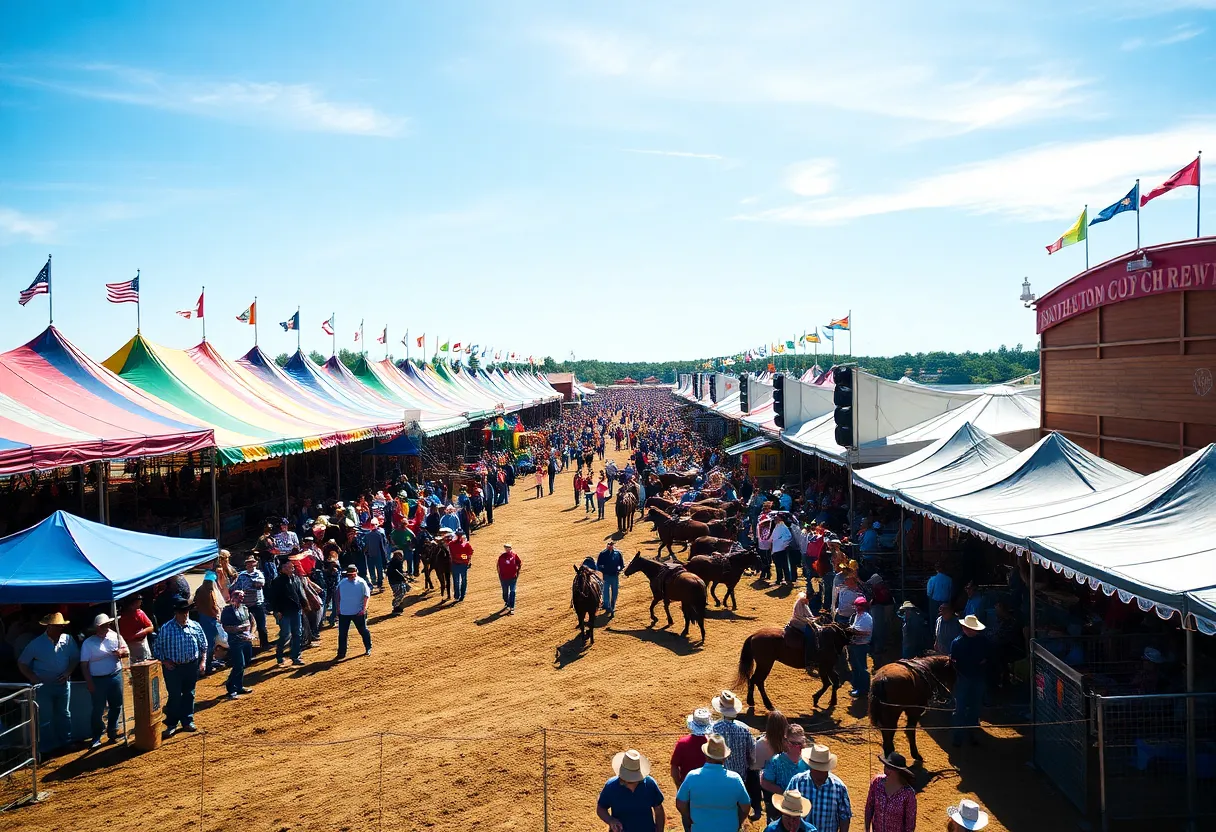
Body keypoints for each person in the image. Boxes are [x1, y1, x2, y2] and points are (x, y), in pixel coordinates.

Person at [17, 612, 79, 756]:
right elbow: (22, 662)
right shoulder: (36, 644)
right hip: (43, 686)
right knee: (44, 716)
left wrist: (68, 672)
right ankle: (45, 748)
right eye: (57, 626)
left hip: (63, 684)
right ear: (49, 627)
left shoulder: (68, 640)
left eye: (61, 626)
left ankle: (66, 741)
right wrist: (32, 677)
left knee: (64, 713)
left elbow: (75, 658)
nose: (60, 629)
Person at [153, 598, 208, 738]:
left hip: (191, 665)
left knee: (189, 693)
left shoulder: (195, 626)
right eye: (182, 612)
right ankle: (172, 723)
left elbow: (204, 646)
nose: (185, 614)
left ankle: (187, 721)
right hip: (173, 668)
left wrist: (203, 662)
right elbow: (156, 648)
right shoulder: (166, 628)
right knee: (175, 695)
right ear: (176, 613)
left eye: (186, 611)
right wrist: (165, 661)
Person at [675, 733, 751, 832]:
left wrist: (689, 818)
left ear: (706, 755)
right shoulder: (735, 779)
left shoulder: (692, 777)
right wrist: (738, 822)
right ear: (724, 758)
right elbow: (746, 807)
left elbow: (680, 804)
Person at [79, 613, 129, 748]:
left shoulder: (115, 635)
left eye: (107, 625)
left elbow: (126, 651)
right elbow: (84, 664)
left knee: (116, 704)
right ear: (97, 628)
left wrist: (121, 652)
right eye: (103, 626)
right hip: (97, 679)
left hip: (114, 674)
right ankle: (96, 735)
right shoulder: (88, 643)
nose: (106, 628)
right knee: (98, 709)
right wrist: (89, 682)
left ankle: (112, 730)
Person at [597, 749, 666, 832]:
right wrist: (611, 820)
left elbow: (658, 810)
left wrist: (660, 830)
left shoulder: (649, 784)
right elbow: (601, 808)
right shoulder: (611, 786)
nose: (629, 782)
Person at [788, 744, 853, 832]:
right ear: (810, 767)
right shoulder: (797, 782)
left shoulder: (839, 787)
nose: (820, 774)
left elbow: (844, 817)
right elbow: (786, 809)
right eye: (817, 770)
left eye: (823, 770)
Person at [951, 614, 989, 747]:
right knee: (960, 708)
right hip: (964, 678)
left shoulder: (982, 641)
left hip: (975, 678)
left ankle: (970, 735)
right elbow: (954, 663)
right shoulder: (957, 642)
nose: (970, 631)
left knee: (975, 708)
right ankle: (959, 737)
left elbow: (987, 658)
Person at [761, 725, 811, 823]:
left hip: (803, 809)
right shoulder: (775, 761)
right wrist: (785, 793)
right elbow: (765, 783)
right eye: (793, 743)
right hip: (781, 808)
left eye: (800, 743)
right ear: (786, 742)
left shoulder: (808, 762)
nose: (797, 747)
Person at [710, 690, 755, 796]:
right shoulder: (744, 728)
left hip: (720, 776)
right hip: (741, 777)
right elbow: (752, 752)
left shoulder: (714, 729)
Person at [748, 709, 789, 821]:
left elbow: (753, 765)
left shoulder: (760, 744)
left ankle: (757, 808)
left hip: (765, 783)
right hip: (782, 785)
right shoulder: (787, 745)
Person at [268, 558, 308, 667]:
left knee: (297, 633)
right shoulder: (277, 581)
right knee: (285, 634)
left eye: (292, 567)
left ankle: (296, 656)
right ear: (283, 569)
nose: (291, 568)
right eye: (289, 567)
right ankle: (279, 656)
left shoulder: (296, 579)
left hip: (296, 610)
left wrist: (304, 605)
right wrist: (277, 611)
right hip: (284, 612)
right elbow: (273, 598)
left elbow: (300, 594)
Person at [863, 752, 916, 832]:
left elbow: (910, 823)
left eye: (887, 766)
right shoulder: (876, 782)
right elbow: (869, 807)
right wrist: (867, 829)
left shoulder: (908, 793)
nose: (884, 767)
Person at [220, 589, 255, 699]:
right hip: (235, 640)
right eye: (239, 596)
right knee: (239, 664)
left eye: (242, 596)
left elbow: (252, 622)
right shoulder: (227, 610)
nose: (241, 598)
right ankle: (231, 687)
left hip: (246, 639)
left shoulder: (244, 608)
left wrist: (251, 634)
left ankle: (239, 686)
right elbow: (225, 627)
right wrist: (237, 629)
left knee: (245, 662)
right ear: (232, 597)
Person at [231, 555, 270, 650]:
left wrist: (250, 582)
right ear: (246, 564)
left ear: (255, 563)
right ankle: (247, 645)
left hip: (257, 603)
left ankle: (264, 644)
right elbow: (235, 587)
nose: (250, 564)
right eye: (248, 563)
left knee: (261, 625)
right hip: (245, 604)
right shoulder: (241, 575)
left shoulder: (259, 574)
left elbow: (260, 584)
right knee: (245, 625)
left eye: (252, 562)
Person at [335, 564, 373, 659]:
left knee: (363, 630)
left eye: (353, 574)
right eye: (349, 575)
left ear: (356, 573)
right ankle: (341, 653)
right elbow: (338, 596)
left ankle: (368, 647)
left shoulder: (361, 582)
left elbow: (366, 596)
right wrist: (338, 608)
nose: (351, 576)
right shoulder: (342, 583)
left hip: (358, 612)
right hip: (344, 613)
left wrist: (364, 609)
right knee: (342, 633)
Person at [671, 708, 713, 788]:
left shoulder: (682, 743)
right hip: (708, 787)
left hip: (687, 785)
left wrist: (678, 785)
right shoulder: (712, 744)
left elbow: (674, 768)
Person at [193, 572, 223, 674]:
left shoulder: (201, 590)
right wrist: (217, 613)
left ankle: (208, 663)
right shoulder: (206, 591)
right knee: (209, 644)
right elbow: (212, 606)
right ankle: (207, 667)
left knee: (209, 643)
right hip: (208, 619)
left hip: (206, 617)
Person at [847, 596, 874, 697]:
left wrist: (853, 631)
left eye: (859, 606)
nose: (857, 608)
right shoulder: (857, 616)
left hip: (861, 646)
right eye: (857, 606)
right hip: (855, 645)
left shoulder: (866, 618)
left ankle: (863, 689)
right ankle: (856, 685)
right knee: (855, 666)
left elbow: (866, 632)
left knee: (861, 668)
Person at [118, 594, 155, 663]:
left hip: (140, 644)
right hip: (127, 645)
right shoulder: (121, 615)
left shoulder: (140, 613)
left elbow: (151, 627)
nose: (140, 604)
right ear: (132, 603)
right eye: (139, 602)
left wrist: (141, 633)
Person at [790, 591, 819, 674]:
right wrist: (811, 620)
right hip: (799, 623)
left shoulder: (804, 603)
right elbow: (800, 616)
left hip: (805, 622)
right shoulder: (800, 603)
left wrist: (813, 619)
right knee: (811, 637)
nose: (808, 601)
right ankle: (809, 662)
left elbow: (808, 615)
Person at [597, 541, 625, 616]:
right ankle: (607, 605)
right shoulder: (602, 554)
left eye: (611, 545)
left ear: (613, 546)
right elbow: (598, 565)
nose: (610, 546)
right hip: (606, 576)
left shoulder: (617, 554)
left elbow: (621, 564)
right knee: (605, 592)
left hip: (615, 576)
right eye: (609, 544)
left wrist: (619, 569)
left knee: (615, 592)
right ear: (607, 545)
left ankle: (612, 605)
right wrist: (602, 570)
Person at [363, 518, 390, 592]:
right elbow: (383, 546)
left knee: (374, 570)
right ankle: (378, 583)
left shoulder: (368, 535)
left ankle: (375, 583)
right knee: (378, 569)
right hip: (377, 555)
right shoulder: (379, 534)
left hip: (372, 555)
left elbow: (365, 547)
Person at [496, 542, 521, 613]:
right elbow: (498, 566)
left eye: (508, 548)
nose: (507, 549)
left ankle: (512, 607)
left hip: (513, 577)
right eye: (506, 548)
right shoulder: (501, 557)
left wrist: (517, 572)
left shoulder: (514, 555)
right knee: (505, 592)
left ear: (511, 548)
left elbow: (519, 563)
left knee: (512, 592)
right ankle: (507, 602)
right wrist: (500, 575)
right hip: (504, 578)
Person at [449, 531, 473, 602]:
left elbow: (451, 553)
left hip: (455, 564)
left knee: (456, 580)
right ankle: (462, 595)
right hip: (463, 564)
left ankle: (457, 596)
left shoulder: (451, 544)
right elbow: (470, 553)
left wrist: (459, 557)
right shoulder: (466, 544)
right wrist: (465, 558)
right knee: (463, 579)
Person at [770, 514, 794, 585]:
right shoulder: (776, 527)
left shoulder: (783, 527)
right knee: (778, 565)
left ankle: (787, 579)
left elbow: (789, 536)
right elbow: (773, 537)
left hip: (781, 549)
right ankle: (779, 579)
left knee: (784, 565)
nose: (775, 520)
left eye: (776, 519)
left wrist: (781, 542)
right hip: (776, 548)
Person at [387, 549, 411, 614]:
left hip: (395, 581)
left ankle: (397, 605)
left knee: (401, 592)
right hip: (395, 582)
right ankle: (396, 607)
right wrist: (403, 578)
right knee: (400, 593)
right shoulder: (396, 563)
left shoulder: (392, 563)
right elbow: (397, 573)